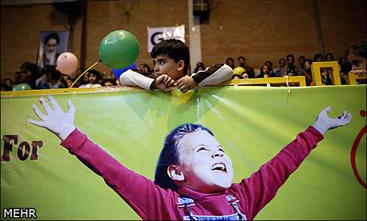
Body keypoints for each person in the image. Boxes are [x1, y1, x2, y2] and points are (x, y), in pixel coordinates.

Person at [28, 95, 351, 220]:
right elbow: (114, 172)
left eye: (219, 148)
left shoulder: (243, 198)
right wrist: (70, 135)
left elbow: (280, 166)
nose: (218, 153)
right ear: (177, 172)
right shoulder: (164, 206)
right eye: (203, 150)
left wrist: (317, 129)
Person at [120, 40, 233, 93]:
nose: (155, 68)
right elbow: (125, 76)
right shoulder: (154, 82)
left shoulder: (195, 80)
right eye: (155, 63)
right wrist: (155, 83)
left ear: (180, 65)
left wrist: (194, 80)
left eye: (162, 62)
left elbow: (226, 70)